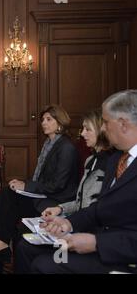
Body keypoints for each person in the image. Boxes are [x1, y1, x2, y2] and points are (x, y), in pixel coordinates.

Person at [15, 90, 137, 274]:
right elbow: (99, 208)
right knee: (27, 248)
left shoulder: (109, 159)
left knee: (45, 265)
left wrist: (96, 243)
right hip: (98, 241)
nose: (103, 128)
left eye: (104, 122)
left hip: (121, 259)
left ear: (123, 124)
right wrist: (68, 223)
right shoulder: (116, 160)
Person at [0, 105, 79, 274]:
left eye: (48, 119)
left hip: (55, 201)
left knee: (8, 197)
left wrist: (27, 186)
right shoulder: (50, 144)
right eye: (43, 119)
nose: (43, 123)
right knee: (6, 192)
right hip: (43, 195)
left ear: (60, 122)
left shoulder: (66, 147)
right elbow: (43, 180)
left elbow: (57, 185)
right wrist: (23, 184)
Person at [41, 109, 112, 218]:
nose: (83, 134)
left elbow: (101, 209)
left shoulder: (111, 163)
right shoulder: (90, 160)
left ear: (101, 131)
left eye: (87, 129)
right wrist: (60, 209)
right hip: (81, 221)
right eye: (83, 128)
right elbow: (81, 203)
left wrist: (71, 223)